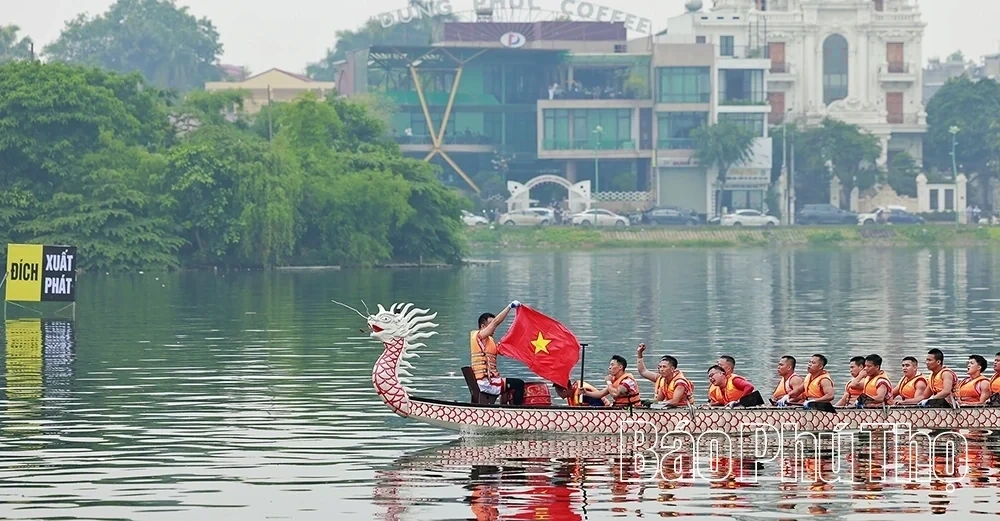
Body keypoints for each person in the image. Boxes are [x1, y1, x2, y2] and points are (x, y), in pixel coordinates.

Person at [471, 301, 525, 405]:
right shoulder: (479, 337)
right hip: (486, 384)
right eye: (491, 325)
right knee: (519, 384)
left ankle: (504, 410)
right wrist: (509, 307)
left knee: (508, 385)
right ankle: (517, 412)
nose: (494, 328)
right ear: (483, 326)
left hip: (491, 381)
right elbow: (496, 322)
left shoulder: (490, 342)